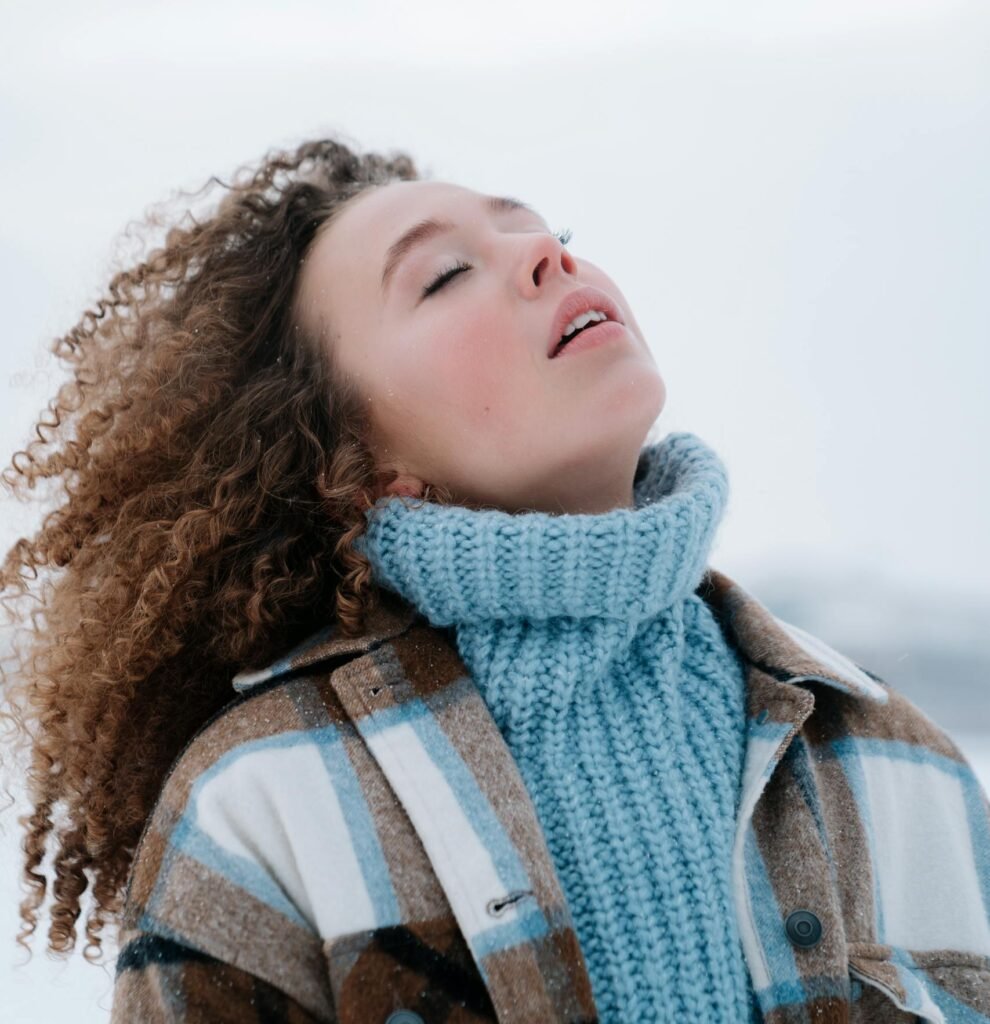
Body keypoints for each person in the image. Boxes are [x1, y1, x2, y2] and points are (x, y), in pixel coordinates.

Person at [1, 134, 987, 1023]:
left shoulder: (908, 767)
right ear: (357, 463)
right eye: (443, 277)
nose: (546, 255)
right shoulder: (260, 814)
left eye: (546, 230)